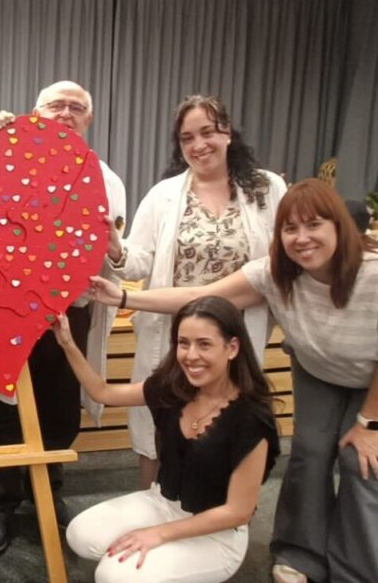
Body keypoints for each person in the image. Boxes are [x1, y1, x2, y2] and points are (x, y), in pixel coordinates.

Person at [89, 179, 378, 583]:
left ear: (339, 226)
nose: (302, 238)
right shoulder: (275, 273)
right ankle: (300, 554)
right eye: (290, 228)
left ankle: (361, 581)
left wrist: (370, 424)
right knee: (309, 455)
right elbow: (199, 297)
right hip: (322, 369)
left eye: (314, 225)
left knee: (363, 463)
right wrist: (126, 296)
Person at [57, 296, 278, 583]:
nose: (191, 355)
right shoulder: (173, 387)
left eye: (204, 344)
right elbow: (103, 393)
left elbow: (238, 512)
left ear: (232, 348)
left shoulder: (252, 418)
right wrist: (67, 343)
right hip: (162, 502)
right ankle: (176, 567)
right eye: (183, 343)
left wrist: (157, 534)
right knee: (80, 535)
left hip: (217, 531)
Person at [0, 80, 127, 554]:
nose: (66, 113)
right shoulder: (2, 158)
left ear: (88, 120)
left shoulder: (105, 178)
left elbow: (111, 247)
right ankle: (0, 503)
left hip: (70, 311)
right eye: (56, 105)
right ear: (34, 112)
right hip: (5, 309)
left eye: (76, 107)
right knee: (1, 409)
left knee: (59, 406)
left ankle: (50, 489)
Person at [108, 95, 286, 490]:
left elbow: (283, 255)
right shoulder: (164, 195)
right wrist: (117, 250)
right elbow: (139, 261)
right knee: (162, 425)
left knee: (228, 424)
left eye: (208, 132)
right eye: (187, 138)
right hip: (175, 333)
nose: (199, 145)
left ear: (228, 133)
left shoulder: (267, 187)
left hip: (233, 335)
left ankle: (225, 514)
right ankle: (154, 504)